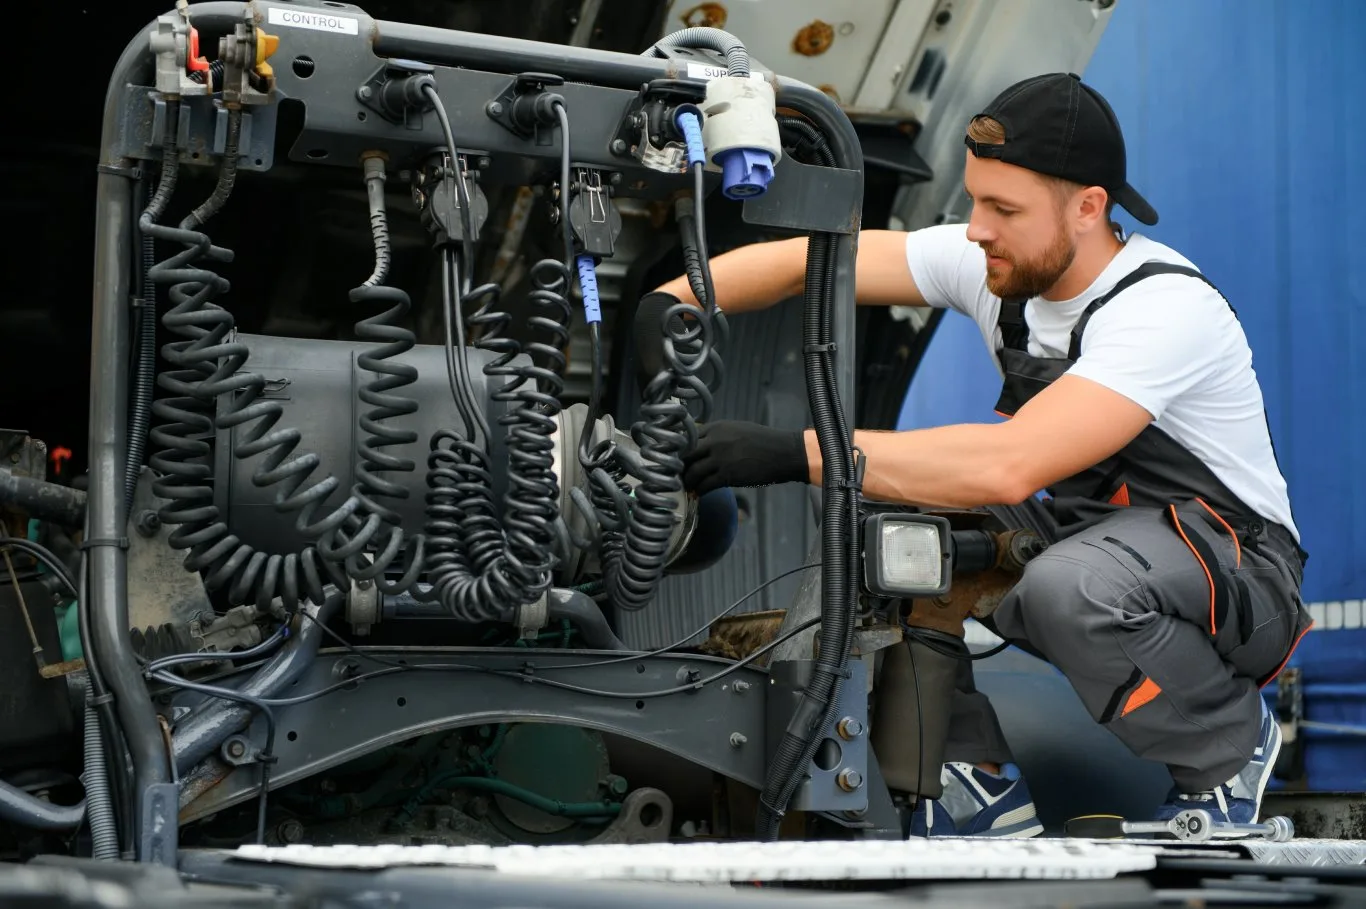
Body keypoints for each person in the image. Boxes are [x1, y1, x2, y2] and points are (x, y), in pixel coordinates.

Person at [634, 72, 1313, 837]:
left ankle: (1227, 749)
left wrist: (798, 450)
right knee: (895, 528)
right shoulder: (1002, 264)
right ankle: (973, 781)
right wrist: (677, 300)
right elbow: (811, 261)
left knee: (1067, 589)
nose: (978, 227)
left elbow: (1008, 465)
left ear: (1089, 207)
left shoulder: (1162, 309)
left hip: (1236, 577)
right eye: (975, 201)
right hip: (1100, 534)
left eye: (1004, 208)